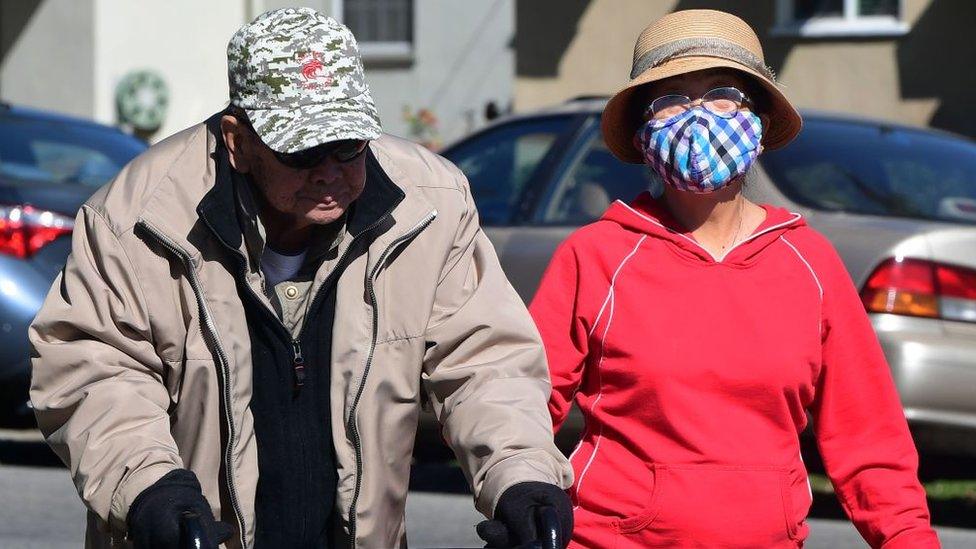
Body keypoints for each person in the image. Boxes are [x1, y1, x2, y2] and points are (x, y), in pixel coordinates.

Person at [29, 8, 573, 549]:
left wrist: (520, 475)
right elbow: (93, 369)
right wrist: (150, 489)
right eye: (304, 151)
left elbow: (485, 361)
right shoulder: (137, 217)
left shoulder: (433, 205)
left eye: (349, 145)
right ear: (237, 140)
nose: (330, 171)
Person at [529, 9, 940, 549]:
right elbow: (525, 406)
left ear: (760, 126)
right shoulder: (597, 255)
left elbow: (870, 438)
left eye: (723, 93)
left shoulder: (811, 264)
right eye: (671, 98)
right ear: (643, 132)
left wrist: (908, 539)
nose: (698, 115)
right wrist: (525, 496)